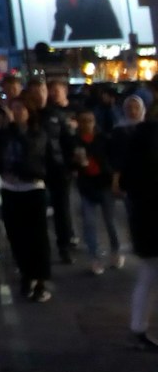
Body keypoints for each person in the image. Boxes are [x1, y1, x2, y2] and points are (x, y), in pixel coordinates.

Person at [0, 97, 53, 301]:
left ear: (29, 112)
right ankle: (27, 275)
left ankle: (41, 281)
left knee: (36, 238)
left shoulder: (37, 132)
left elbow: (32, 151)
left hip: (32, 188)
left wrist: (13, 126)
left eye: (21, 108)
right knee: (16, 237)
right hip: (10, 189)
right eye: (14, 109)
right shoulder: (5, 133)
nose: (17, 112)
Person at [120, 99, 158, 349]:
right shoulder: (149, 141)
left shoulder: (139, 137)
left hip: (144, 217)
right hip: (152, 217)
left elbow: (127, 181)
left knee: (148, 273)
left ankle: (139, 327)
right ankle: (139, 327)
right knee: (149, 274)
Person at [72, 107, 122, 274]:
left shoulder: (103, 139)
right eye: (83, 121)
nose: (86, 124)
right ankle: (95, 257)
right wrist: (76, 163)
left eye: (90, 120)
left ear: (95, 122)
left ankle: (116, 251)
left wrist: (114, 179)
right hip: (87, 186)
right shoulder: (75, 141)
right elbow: (70, 164)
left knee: (110, 222)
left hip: (104, 184)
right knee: (89, 223)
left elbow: (113, 160)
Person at [34, 79, 77, 264]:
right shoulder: (31, 115)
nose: (40, 95)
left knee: (62, 210)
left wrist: (71, 165)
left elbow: (68, 141)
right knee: (38, 211)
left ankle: (64, 246)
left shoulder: (56, 114)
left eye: (42, 91)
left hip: (58, 168)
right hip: (36, 169)